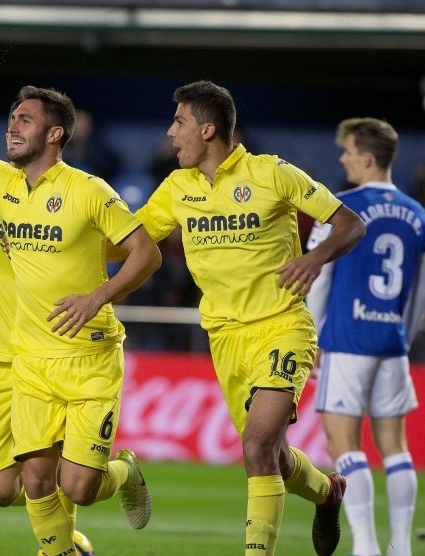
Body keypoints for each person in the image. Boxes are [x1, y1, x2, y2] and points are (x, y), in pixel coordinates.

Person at [0, 18, 161, 556]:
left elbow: (147, 252)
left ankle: (122, 472)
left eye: (25, 120)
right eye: (12, 118)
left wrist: (97, 297)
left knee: (77, 485)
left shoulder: (88, 191)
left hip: (88, 357)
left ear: (55, 134)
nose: (11, 127)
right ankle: (60, 550)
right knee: (28, 483)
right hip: (28, 358)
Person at [133, 80, 366, 556]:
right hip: (225, 337)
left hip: (283, 326)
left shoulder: (271, 173)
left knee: (257, 447)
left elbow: (351, 223)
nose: (170, 133)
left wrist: (314, 259)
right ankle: (327, 492)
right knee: (273, 456)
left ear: (208, 128)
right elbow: (129, 242)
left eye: (179, 122)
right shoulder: (177, 187)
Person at [306, 117, 421, 556]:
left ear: (367, 158)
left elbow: (318, 276)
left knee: (343, 443)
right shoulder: (418, 214)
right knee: (395, 447)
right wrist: (402, 340)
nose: (343, 158)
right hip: (392, 344)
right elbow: (418, 293)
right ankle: (402, 548)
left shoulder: (341, 209)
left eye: (349, 151)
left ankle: (367, 547)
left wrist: (312, 337)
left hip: (347, 342)